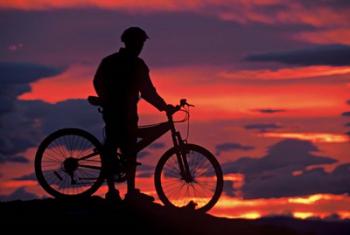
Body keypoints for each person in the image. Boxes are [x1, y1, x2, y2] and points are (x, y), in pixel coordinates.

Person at [93, 27, 174, 202]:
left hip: (117, 110)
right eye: (140, 42)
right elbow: (147, 92)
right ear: (131, 42)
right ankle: (123, 191)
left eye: (142, 43)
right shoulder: (137, 65)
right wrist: (164, 107)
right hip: (123, 110)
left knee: (119, 147)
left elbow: (97, 82)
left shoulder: (110, 61)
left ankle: (117, 191)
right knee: (125, 147)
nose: (141, 46)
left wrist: (105, 98)